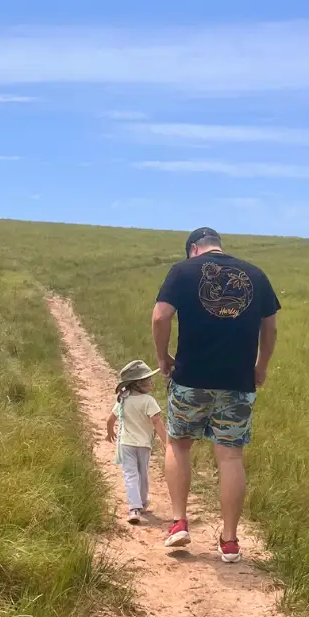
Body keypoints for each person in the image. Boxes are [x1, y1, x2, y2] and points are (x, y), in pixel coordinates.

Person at [152, 227, 280, 563]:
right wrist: (261, 366)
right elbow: (271, 327)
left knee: (178, 444)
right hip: (238, 381)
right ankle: (230, 541)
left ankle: (179, 522)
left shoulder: (181, 271)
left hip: (190, 378)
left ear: (194, 249)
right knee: (230, 456)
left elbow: (160, 316)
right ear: (218, 247)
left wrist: (162, 357)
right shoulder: (255, 274)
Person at [106, 360, 166, 525]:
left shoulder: (123, 398)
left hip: (126, 444)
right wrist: (167, 442)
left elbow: (110, 419)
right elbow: (156, 421)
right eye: (148, 380)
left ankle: (134, 508)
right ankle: (141, 504)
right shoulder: (148, 401)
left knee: (130, 475)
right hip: (143, 445)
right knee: (142, 475)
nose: (151, 383)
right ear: (138, 384)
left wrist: (109, 431)